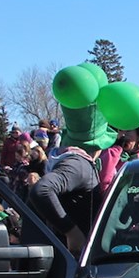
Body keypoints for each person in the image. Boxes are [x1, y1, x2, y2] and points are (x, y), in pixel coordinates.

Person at [28, 103, 119, 254]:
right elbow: (41, 190)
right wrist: (72, 232)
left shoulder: (75, 161)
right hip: (72, 258)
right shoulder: (78, 164)